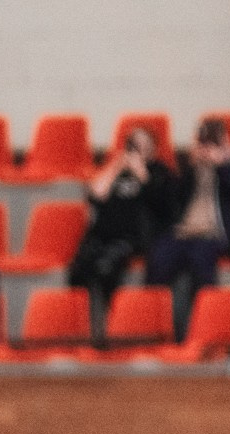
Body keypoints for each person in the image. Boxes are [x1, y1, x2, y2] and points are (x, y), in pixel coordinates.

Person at [148, 117, 230, 339]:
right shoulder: (191, 166)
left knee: (202, 263)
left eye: (215, 141)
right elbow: (174, 200)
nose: (209, 146)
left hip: (213, 233)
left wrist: (223, 165)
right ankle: (156, 329)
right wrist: (190, 167)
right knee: (158, 258)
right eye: (204, 141)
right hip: (184, 231)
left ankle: (202, 332)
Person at [69, 127, 174, 343]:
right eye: (132, 145)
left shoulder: (158, 172)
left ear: (153, 149)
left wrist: (141, 173)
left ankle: (103, 334)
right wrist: (116, 166)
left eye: (142, 145)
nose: (136, 151)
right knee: (79, 269)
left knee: (106, 268)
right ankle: (82, 331)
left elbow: (163, 204)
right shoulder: (116, 170)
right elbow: (96, 194)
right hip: (101, 235)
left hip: (131, 237)